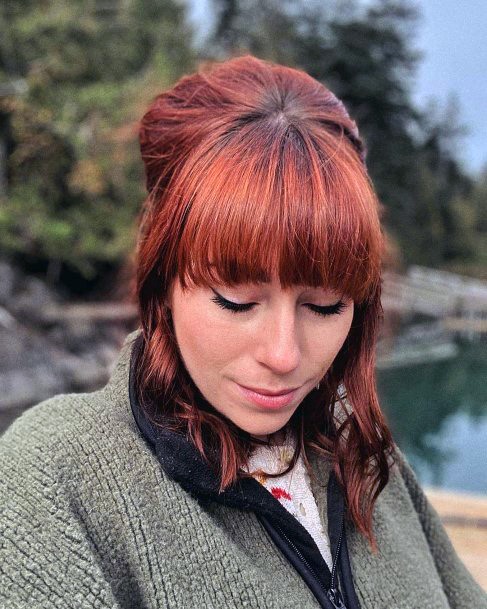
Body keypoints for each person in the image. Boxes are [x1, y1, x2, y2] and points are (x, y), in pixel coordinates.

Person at [0, 55, 485, 609]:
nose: (284, 354)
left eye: (324, 306)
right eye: (236, 301)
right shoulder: (54, 480)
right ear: (163, 280)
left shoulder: (365, 458)